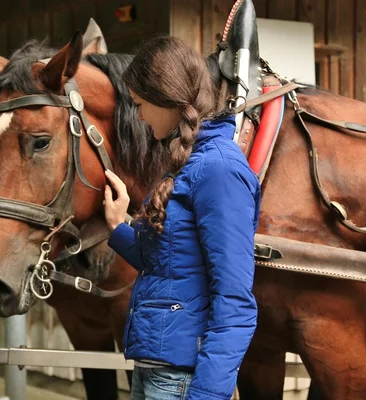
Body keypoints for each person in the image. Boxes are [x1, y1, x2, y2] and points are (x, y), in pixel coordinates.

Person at [103, 36, 260, 400]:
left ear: (166, 98)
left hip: (182, 381)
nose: (139, 116)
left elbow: (235, 301)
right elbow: (166, 265)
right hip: (156, 370)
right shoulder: (184, 160)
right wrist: (118, 226)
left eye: (141, 104)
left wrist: (206, 395)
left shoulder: (219, 170)